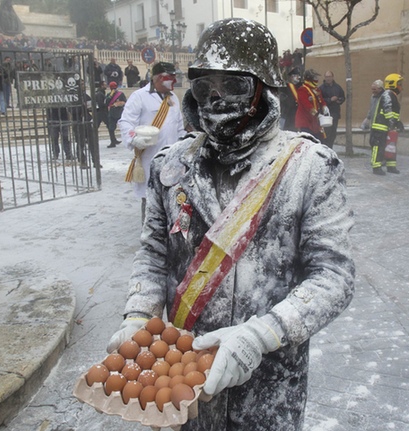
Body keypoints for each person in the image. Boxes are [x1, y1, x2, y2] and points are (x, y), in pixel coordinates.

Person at [108, 18, 354, 431]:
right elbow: (153, 255)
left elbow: (334, 275)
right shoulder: (172, 167)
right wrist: (138, 315)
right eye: (206, 87)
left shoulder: (308, 168)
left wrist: (263, 334)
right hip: (185, 381)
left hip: (270, 386)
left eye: (234, 85)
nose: (217, 99)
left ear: (262, 89)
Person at [118, 61, 185, 221]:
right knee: (150, 205)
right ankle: (150, 241)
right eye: (171, 78)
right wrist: (134, 138)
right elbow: (125, 122)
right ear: (158, 78)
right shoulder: (139, 96)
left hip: (172, 161)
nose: (174, 82)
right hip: (150, 159)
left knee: (172, 202)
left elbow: (179, 127)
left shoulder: (173, 97)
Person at [370, 73, 404, 175]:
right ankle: (376, 167)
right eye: (399, 83)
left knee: (391, 146)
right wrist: (395, 122)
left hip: (388, 126)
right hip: (380, 127)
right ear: (393, 84)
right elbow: (387, 110)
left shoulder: (392, 95)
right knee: (379, 147)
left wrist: (395, 123)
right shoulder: (388, 94)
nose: (401, 86)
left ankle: (391, 166)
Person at [295, 68, 330, 143]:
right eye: (315, 77)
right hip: (305, 122)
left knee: (318, 141)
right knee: (307, 143)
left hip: (314, 122)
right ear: (309, 78)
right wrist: (317, 114)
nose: (317, 79)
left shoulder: (316, 89)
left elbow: (321, 100)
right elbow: (307, 105)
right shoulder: (302, 89)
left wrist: (324, 106)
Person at [319, 71, 346, 149]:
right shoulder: (321, 88)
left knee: (333, 133)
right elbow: (320, 100)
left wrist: (339, 100)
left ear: (333, 77)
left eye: (329, 76)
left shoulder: (337, 87)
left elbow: (343, 97)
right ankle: (325, 149)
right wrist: (329, 100)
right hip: (326, 115)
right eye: (327, 77)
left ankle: (330, 148)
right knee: (326, 134)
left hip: (335, 113)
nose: (328, 78)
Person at [105, 82, 126, 148]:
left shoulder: (121, 94)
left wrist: (118, 104)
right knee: (111, 128)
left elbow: (125, 102)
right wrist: (110, 96)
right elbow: (106, 102)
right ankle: (113, 141)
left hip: (119, 112)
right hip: (112, 113)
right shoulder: (109, 95)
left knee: (124, 128)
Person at [279, 67, 301, 131]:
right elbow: (281, 97)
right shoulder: (285, 87)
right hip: (287, 114)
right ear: (292, 77)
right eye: (297, 76)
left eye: (299, 76)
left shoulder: (300, 86)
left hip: (296, 114)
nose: (299, 78)